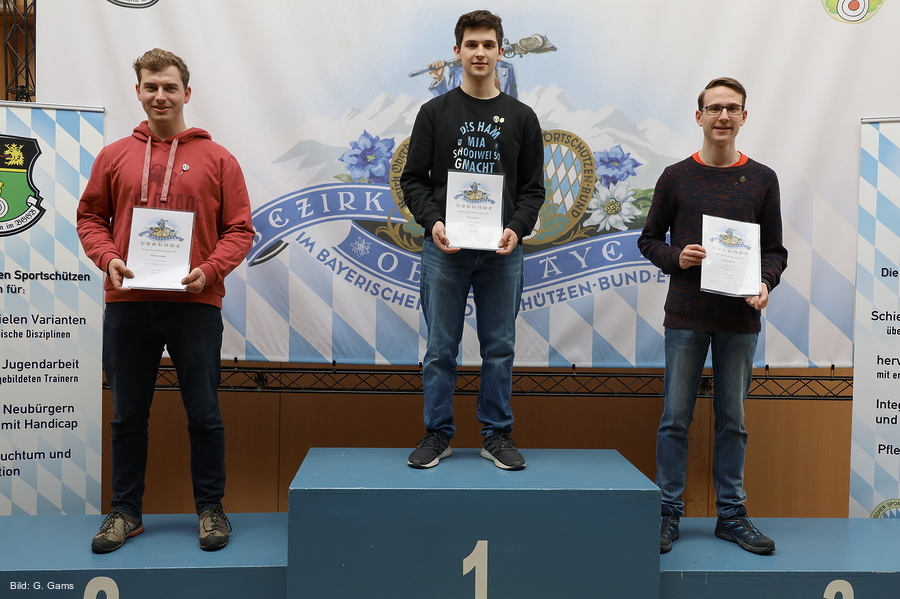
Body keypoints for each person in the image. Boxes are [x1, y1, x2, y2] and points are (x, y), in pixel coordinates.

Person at [77, 48, 254, 553]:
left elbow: (240, 229)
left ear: (186, 93)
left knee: (205, 413)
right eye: (151, 86)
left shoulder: (219, 159)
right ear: (138, 91)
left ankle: (211, 509)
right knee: (127, 416)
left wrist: (210, 270)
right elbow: (90, 218)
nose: (160, 95)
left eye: (170, 87)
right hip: (128, 303)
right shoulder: (114, 156)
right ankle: (125, 512)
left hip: (195, 305)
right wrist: (108, 257)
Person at [637, 77, 788, 555]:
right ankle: (667, 513)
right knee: (674, 419)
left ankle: (731, 516)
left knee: (733, 421)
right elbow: (648, 240)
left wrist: (765, 282)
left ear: (744, 117)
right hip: (685, 316)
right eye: (715, 108)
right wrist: (676, 257)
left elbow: (775, 251)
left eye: (732, 108)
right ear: (699, 116)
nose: (723, 116)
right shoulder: (675, 176)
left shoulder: (763, 179)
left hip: (739, 320)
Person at [401, 10, 544, 470]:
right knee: (440, 349)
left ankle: (496, 435)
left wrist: (517, 227)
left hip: (502, 252)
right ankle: (437, 433)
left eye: (488, 45)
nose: (479, 52)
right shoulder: (434, 113)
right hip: (445, 250)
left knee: (499, 349)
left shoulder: (523, 118)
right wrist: (433, 222)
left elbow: (533, 190)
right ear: (457, 51)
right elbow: (413, 180)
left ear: (500, 51)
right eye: (471, 44)